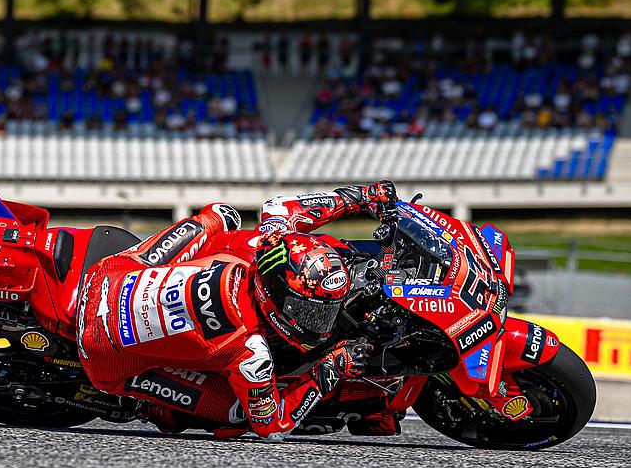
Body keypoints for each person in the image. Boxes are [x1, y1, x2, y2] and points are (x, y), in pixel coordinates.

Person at [74, 182, 397, 441]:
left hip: (109, 274)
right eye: (308, 312)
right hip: (102, 354)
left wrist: (360, 196)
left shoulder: (269, 240)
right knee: (237, 415)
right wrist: (329, 370)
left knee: (222, 215)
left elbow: (281, 206)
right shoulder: (251, 352)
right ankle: (151, 408)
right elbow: (272, 425)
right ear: (274, 293)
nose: (318, 325)